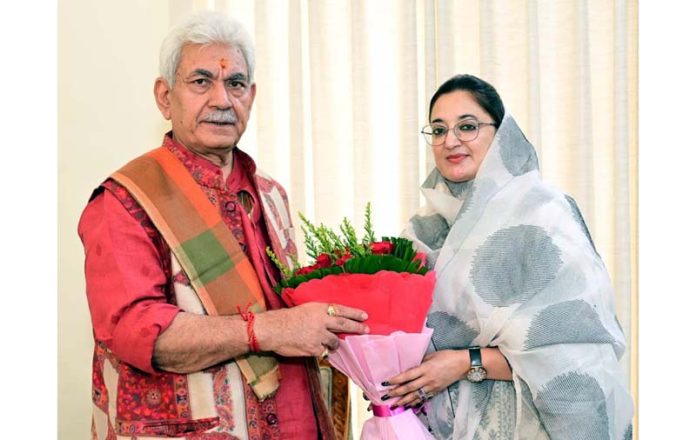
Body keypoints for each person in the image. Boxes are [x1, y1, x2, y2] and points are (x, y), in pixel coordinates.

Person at [77, 11, 368, 440]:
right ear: (164, 96)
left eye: (235, 84)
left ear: (251, 95)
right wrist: (267, 329)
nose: (221, 99)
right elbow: (138, 333)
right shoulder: (124, 200)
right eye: (201, 81)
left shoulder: (271, 195)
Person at [383, 74, 634, 439]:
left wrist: (464, 363)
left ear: (501, 136)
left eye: (467, 127)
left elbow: (580, 350)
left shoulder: (544, 216)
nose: (450, 140)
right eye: (438, 130)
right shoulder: (424, 232)